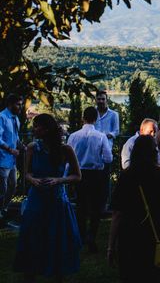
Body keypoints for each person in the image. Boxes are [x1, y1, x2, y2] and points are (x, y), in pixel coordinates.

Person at [14, 113, 82, 280]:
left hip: (57, 200)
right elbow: (27, 173)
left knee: (55, 238)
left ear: (46, 129)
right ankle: (31, 270)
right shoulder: (32, 148)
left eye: (37, 126)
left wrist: (58, 180)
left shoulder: (65, 149)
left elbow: (77, 176)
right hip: (36, 200)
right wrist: (33, 180)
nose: (33, 129)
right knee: (34, 237)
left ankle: (56, 270)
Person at [108, 136, 160, 282]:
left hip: (131, 236)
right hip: (158, 233)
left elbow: (117, 214)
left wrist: (111, 245)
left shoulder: (126, 177)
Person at [67, 107, 113, 253]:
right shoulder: (100, 136)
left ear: (83, 118)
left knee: (81, 206)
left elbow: (68, 158)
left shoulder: (73, 136)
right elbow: (108, 158)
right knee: (96, 207)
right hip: (96, 175)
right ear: (96, 119)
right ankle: (92, 236)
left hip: (79, 174)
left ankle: (81, 236)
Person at [0, 93, 24, 224]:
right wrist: (10, 149)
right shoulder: (2, 117)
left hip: (12, 160)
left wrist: (22, 146)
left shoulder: (16, 119)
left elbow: (15, 137)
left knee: (13, 186)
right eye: (18, 104)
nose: (20, 107)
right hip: (2, 159)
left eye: (21, 104)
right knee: (2, 188)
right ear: (10, 104)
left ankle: (3, 209)